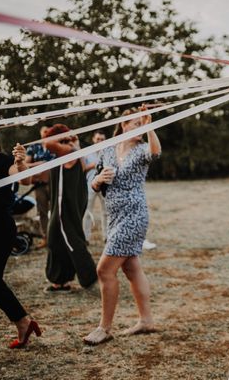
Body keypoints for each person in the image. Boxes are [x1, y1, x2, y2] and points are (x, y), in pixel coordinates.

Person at [83, 106, 161, 345]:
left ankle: (104, 328)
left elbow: (156, 152)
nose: (140, 127)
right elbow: (95, 183)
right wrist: (97, 180)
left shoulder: (141, 151)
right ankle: (146, 321)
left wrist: (150, 126)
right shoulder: (107, 150)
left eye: (143, 124)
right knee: (131, 268)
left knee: (104, 270)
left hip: (134, 216)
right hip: (114, 216)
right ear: (124, 125)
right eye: (136, 124)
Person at [0, 117, 43, 348]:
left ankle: (22, 321)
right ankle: (23, 321)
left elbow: (25, 177)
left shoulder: (3, 160)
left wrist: (21, 163)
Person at [43, 125, 98, 292]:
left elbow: (47, 143)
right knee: (58, 240)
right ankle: (61, 281)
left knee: (69, 239)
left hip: (66, 205)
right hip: (63, 204)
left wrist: (70, 140)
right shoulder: (70, 152)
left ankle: (91, 276)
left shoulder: (68, 151)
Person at [25, 125, 55, 248]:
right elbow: (26, 163)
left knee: (56, 211)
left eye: (49, 131)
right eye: (44, 131)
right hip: (39, 185)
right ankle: (46, 238)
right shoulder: (33, 147)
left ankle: (56, 237)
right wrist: (40, 164)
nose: (46, 133)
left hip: (54, 183)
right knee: (42, 212)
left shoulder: (56, 146)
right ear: (40, 132)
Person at [83, 130, 108, 242]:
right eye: (98, 139)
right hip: (90, 184)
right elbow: (82, 168)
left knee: (106, 212)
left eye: (102, 139)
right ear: (93, 139)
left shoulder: (108, 152)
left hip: (105, 185)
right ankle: (86, 237)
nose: (100, 141)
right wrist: (93, 165)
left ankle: (106, 236)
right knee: (87, 212)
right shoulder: (87, 152)